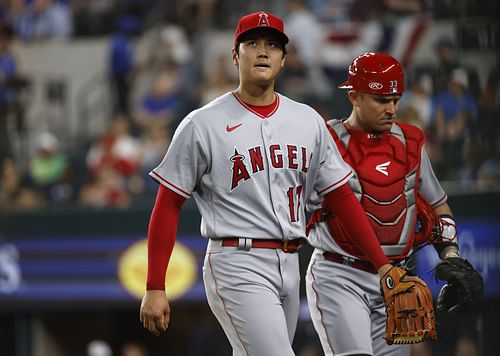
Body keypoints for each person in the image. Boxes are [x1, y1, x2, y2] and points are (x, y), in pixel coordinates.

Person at [139, 12, 395, 356]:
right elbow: (168, 203)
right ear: (235, 55)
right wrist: (155, 285)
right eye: (253, 44)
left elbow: (341, 197)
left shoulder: (307, 120)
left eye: (273, 46)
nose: (263, 52)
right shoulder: (202, 124)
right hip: (236, 260)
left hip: (291, 261)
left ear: (284, 59)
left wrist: (383, 266)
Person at [305, 52, 478, 356]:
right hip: (340, 273)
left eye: (396, 99)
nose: (392, 108)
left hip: (397, 281)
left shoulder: (411, 143)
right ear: (355, 96)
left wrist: (450, 254)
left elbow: (439, 206)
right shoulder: (326, 140)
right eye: (382, 99)